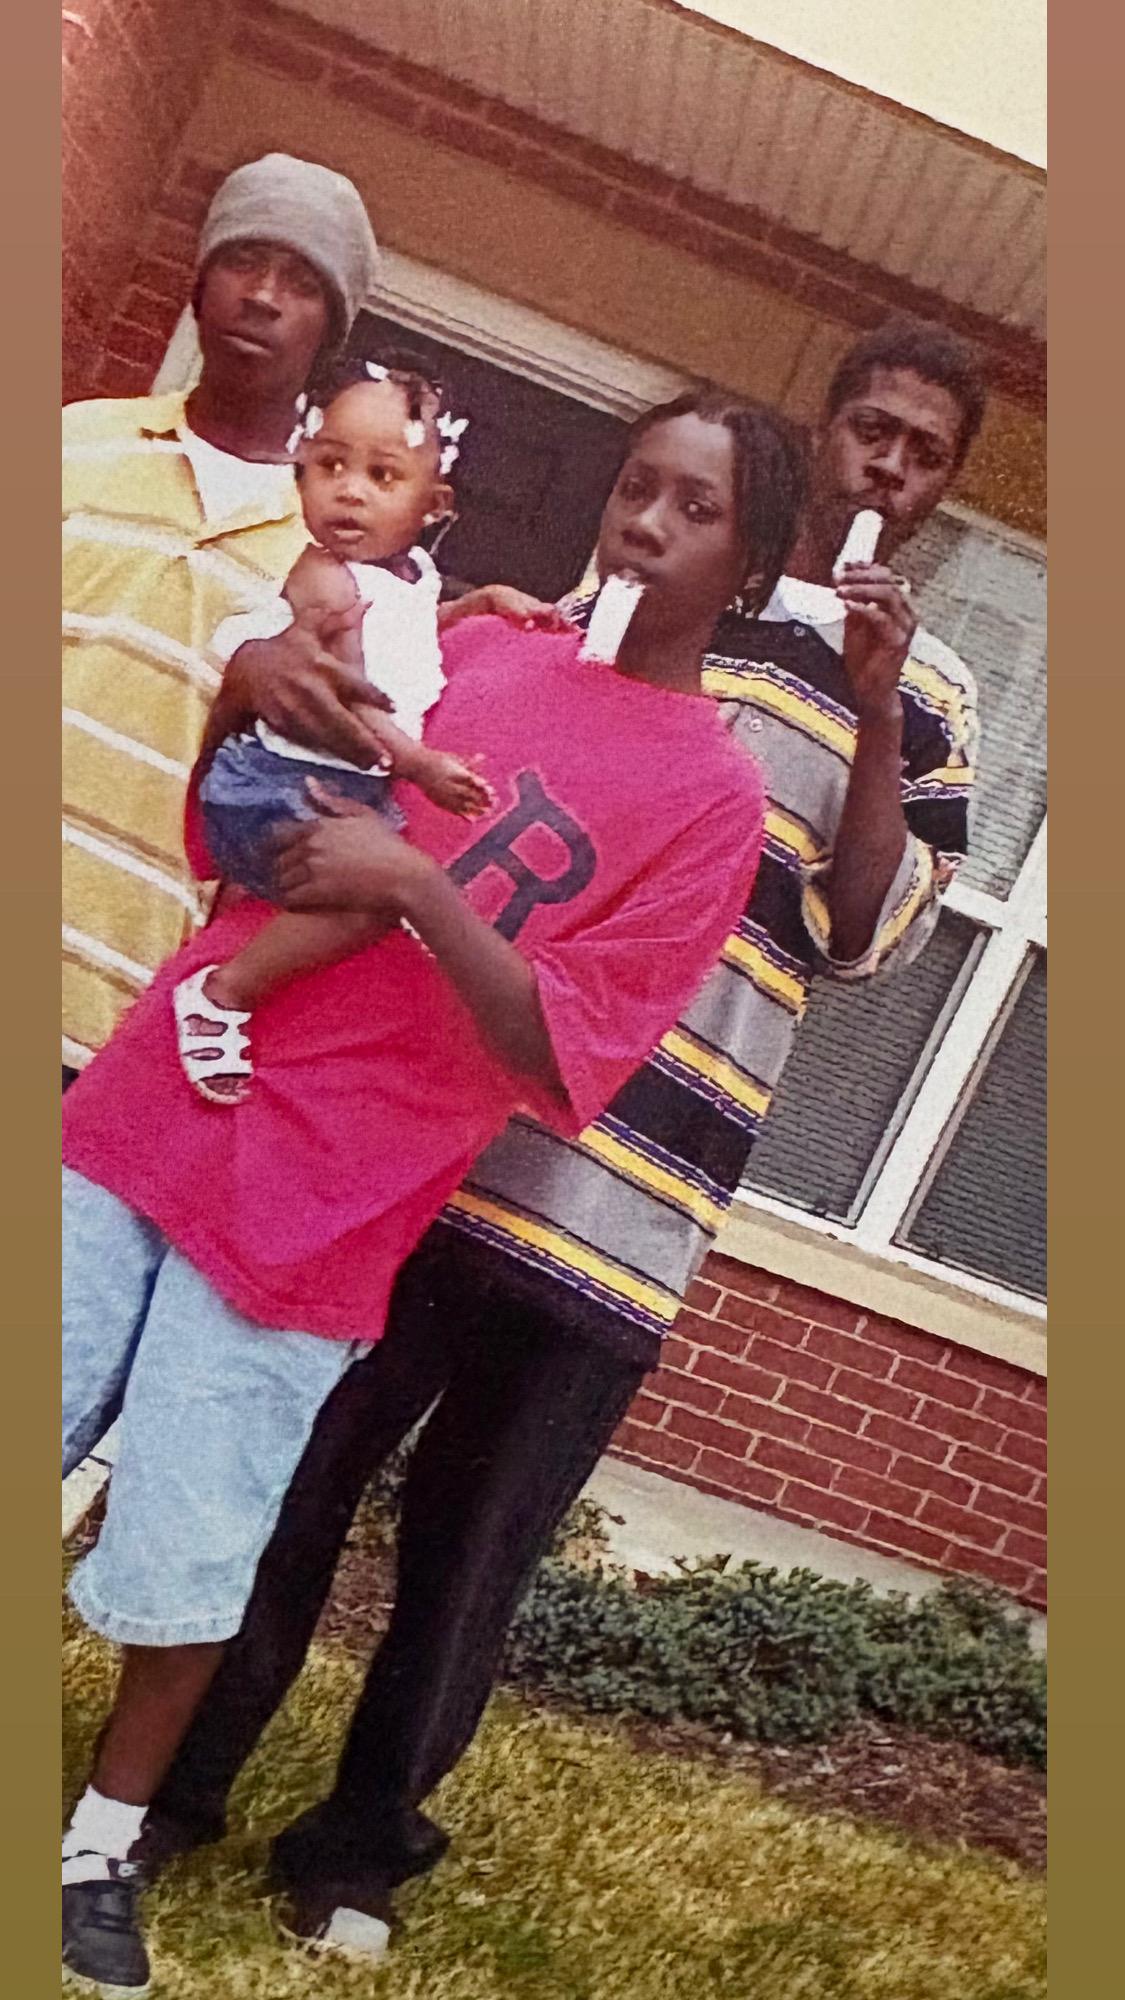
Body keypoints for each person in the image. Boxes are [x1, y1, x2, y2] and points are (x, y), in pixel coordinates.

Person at [131, 323, 987, 1971]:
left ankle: (362, 1851)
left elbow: (864, 934)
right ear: (820, 432)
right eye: (869, 427)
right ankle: (182, 1786)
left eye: (922, 451)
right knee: (303, 1471)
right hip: (448, 1135)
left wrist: (880, 713)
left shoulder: (930, 686)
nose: (886, 463)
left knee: (475, 1549)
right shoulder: (639, 595)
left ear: (941, 488)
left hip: (638, 1194)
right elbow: (487, 781)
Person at [60, 390, 807, 1997]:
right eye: (636, 487)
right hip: (162, 1101)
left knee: (201, 1541)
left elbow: (562, 1051)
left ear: (752, 565)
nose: (646, 525)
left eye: (696, 510)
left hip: (331, 1196)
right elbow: (241, 823)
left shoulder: (713, 802)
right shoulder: (472, 647)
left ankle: (99, 1845)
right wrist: (249, 690)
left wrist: (414, 886)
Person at [61, 152, 551, 1089]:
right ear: (199, 279)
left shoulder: (346, 545)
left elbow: (387, 701)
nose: (262, 296)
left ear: (333, 328)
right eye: (244, 261)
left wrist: (474, 611)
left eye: (301, 282)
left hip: (123, 997)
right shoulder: (74, 442)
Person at [174, 355, 493, 1102]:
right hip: (279, 782)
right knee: (375, 898)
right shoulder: (320, 578)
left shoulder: (407, 578)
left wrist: (481, 606)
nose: (349, 490)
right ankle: (221, 994)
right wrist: (418, 764)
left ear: (434, 504)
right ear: (301, 470)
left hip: (326, 783)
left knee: (372, 891)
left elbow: (405, 635)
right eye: (330, 465)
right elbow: (349, 694)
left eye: (382, 475)